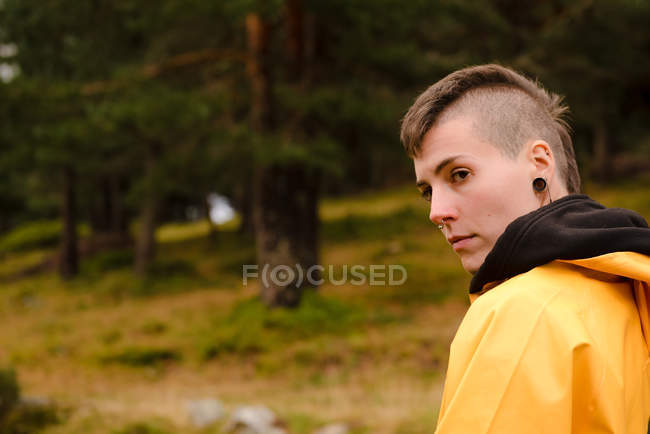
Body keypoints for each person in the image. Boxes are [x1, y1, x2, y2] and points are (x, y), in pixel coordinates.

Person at [400, 64, 650, 433]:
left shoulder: (520, 312)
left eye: (459, 174)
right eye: (428, 192)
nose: (437, 212)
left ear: (540, 163)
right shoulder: (631, 286)